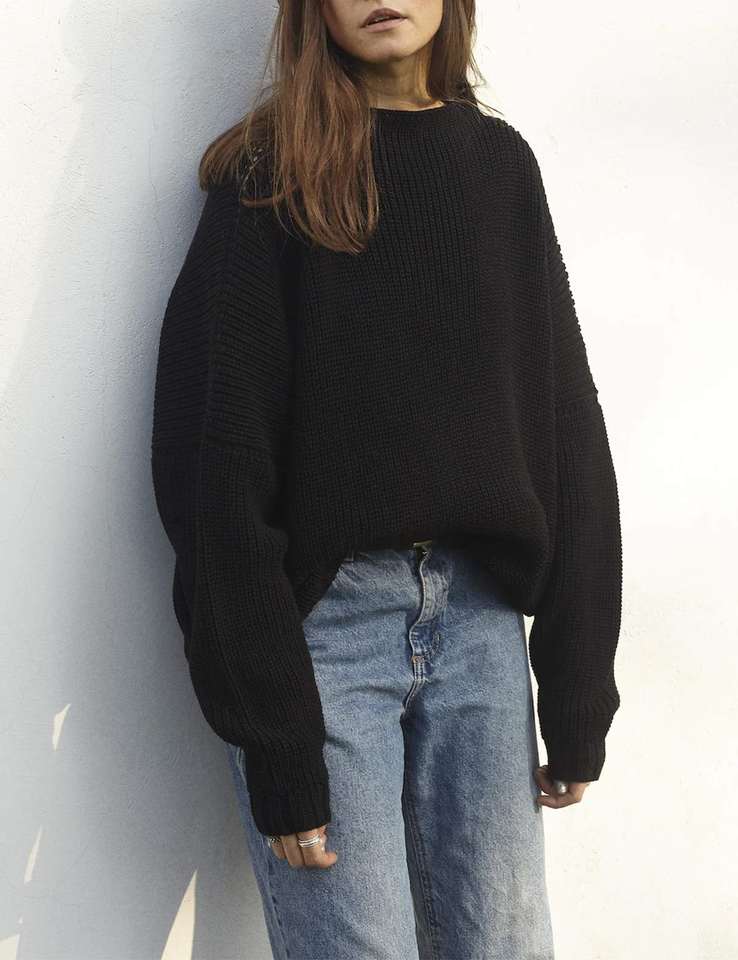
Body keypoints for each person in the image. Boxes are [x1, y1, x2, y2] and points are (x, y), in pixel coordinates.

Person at [150, 1, 622, 957]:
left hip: (482, 626)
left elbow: (565, 424)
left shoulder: (498, 165)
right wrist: (276, 738)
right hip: (325, 633)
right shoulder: (271, 172)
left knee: (505, 943)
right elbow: (215, 461)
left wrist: (578, 687)